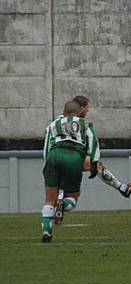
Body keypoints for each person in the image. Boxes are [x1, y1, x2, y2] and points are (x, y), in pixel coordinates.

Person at [53, 96, 131, 224]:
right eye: (87, 107)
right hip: (68, 158)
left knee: (73, 194)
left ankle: (57, 208)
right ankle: (123, 189)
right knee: (93, 169)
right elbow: (87, 141)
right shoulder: (78, 123)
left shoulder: (58, 121)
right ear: (81, 108)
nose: (88, 110)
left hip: (55, 159)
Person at [41, 100, 92, 242]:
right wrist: (92, 161)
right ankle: (63, 204)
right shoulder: (85, 125)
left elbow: (46, 147)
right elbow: (93, 145)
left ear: (64, 112)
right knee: (74, 196)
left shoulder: (53, 125)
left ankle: (46, 230)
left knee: (49, 201)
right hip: (74, 159)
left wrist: (47, 163)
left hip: (53, 158)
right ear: (79, 112)